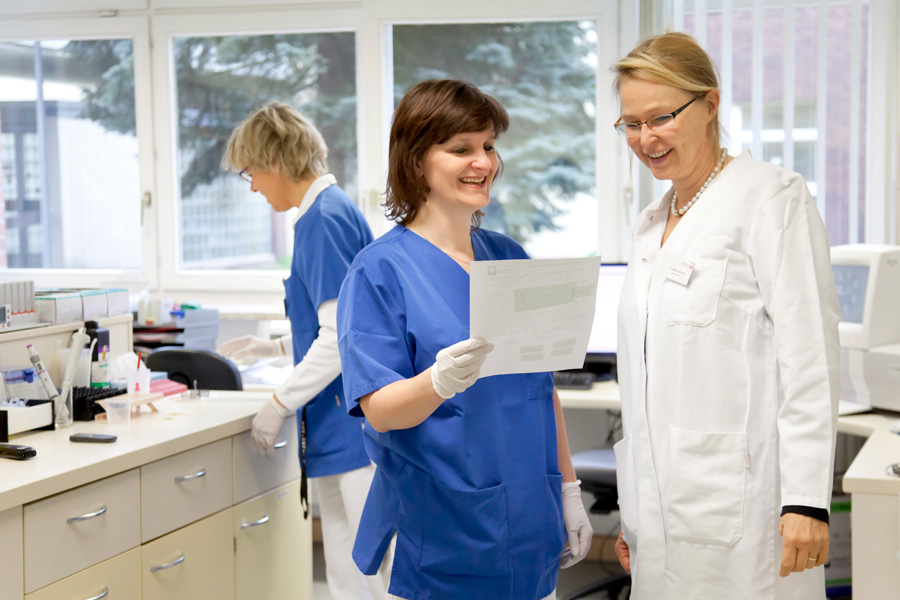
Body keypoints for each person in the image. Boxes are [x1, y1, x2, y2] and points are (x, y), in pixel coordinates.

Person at [336, 79, 593, 600]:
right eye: (461, 149)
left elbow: (541, 389)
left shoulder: (507, 256)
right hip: (444, 529)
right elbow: (380, 410)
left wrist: (568, 490)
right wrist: (438, 381)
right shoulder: (380, 270)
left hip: (529, 519)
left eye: (489, 146)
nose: (484, 162)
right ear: (416, 162)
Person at [611, 32, 841, 598]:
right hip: (659, 512)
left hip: (745, 505)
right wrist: (634, 508)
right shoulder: (648, 224)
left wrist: (807, 500)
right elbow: (642, 385)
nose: (646, 138)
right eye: (631, 124)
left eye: (660, 117)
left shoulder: (771, 199)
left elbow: (809, 359)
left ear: (709, 105)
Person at [218, 101, 385, 600]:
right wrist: (276, 344)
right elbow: (342, 321)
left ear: (274, 160)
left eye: (250, 172)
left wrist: (278, 403)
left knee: (367, 572)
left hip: (353, 424)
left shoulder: (323, 220)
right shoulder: (325, 213)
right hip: (341, 424)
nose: (252, 186)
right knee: (344, 566)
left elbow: (339, 339)